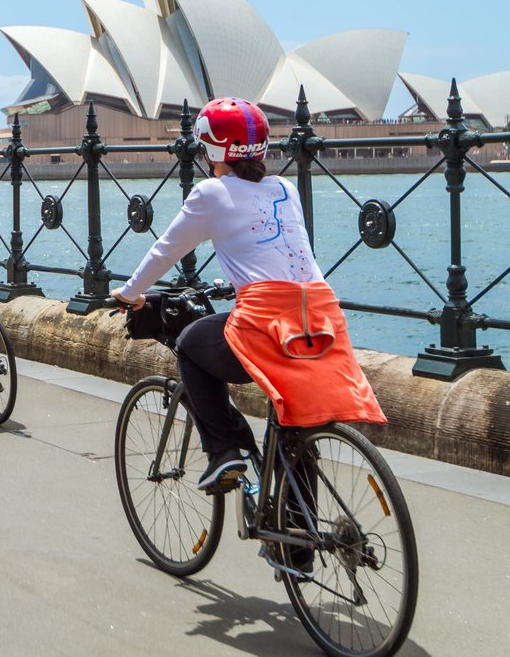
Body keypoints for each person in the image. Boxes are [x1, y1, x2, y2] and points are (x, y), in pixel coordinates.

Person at [112, 97, 386, 493]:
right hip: (321, 319)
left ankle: (224, 451)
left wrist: (129, 293)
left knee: (189, 344)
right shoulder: (285, 189)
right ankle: (297, 543)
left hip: (265, 324)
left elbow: (165, 251)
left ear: (209, 148)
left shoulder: (212, 193)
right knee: (293, 419)